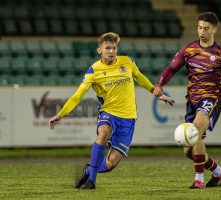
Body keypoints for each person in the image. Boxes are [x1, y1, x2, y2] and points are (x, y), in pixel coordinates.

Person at [48, 32, 175, 189]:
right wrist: (61, 114)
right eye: (107, 48)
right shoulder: (93, 71)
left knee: (110, 163)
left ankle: (89, 169)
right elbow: (77, 96)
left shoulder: (127, 62)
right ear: (99, 50)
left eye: (114, 48)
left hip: (128, 118)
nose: (111, 51)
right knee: (103, 133)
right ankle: (91, 181)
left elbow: (139, 77)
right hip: (109, 113)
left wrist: (156, 93)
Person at [153, 12, 221, 189]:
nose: (202, 32)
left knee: (195, 130)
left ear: (215, 30)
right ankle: (218, 171)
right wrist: (160, 84)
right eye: (200, 28)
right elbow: (171, 68)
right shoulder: (189, 50)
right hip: (192, 101)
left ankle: (199, 180)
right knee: (188, 150)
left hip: (211, 99)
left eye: (206, 28)